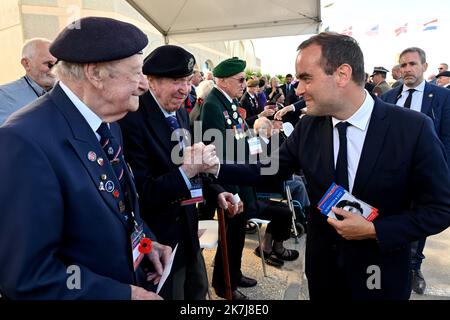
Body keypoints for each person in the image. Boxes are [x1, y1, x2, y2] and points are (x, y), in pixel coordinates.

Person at [218, 32, 450, 299]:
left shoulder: (412, 128)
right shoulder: (308, 126)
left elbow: (440, 209)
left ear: (342, 74)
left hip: (380, 275)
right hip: (323, 273)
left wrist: (375, 230)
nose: (298, 88)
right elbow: (268, 169)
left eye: (306, 78)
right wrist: (215, 167)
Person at [0, 17, 174, 300]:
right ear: (95, 74)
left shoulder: (107, 123)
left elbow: (117, 209)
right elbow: (29, 275)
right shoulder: (24, 140)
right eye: (136, 73)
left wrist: (145, 243)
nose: (144, 84)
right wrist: (122, 295)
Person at [118, 45, 238, 300]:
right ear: (151, 81)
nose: (184, 89)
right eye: (175, 81)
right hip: (158, 243)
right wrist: (189, 169)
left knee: (197, 291)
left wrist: (215, 191)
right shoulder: (132, 120)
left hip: (188, 231)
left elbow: (191, 166)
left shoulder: (178, 112)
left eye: (186, 80)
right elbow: (142, 191)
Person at [380, 47, 450, 295]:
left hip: (423, 173)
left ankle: (413, 266)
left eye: (412, 64)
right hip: (391, 175)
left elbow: (447, 138)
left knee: (418, 221)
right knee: (392, 220)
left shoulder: (441, 97)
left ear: (424, 66)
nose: (407, 69)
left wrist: (442, 175)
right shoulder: (389, 97)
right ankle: (390, 265)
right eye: (403, 65)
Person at [200, 57, 258, 300]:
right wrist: (232, 191)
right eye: (241, 80)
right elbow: (218, 153)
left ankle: (234, 272)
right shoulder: (213, 104)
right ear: (222, 81)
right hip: (229, 181)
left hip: (241, 176)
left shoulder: (229, 102)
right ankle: (224, 284)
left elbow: (240, 137)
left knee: (237, 234)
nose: (244, 84)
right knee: (229, 234)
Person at [0, 38, 57, 125]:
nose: (54, 70)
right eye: (48, 63)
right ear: (26, 64)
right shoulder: (3, 96)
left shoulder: (70, 90)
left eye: (58, 64)